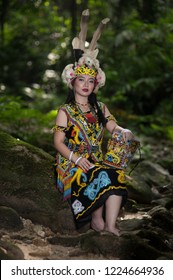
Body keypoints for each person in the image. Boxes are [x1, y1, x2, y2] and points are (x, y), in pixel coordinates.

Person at [53, 10, 134, 236]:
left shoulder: (100, 108)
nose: (86, 84)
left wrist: (122, 131)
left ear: (95, 84)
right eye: (81, 80)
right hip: (72, 163)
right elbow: (58, 142)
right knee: (99, 174)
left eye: (91, 80)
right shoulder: (65, 111)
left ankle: (109, 226)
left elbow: (112, 127)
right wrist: (77, 158)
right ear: (73, 82)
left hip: (96, 159)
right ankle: (96, 220)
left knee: (115, 173)